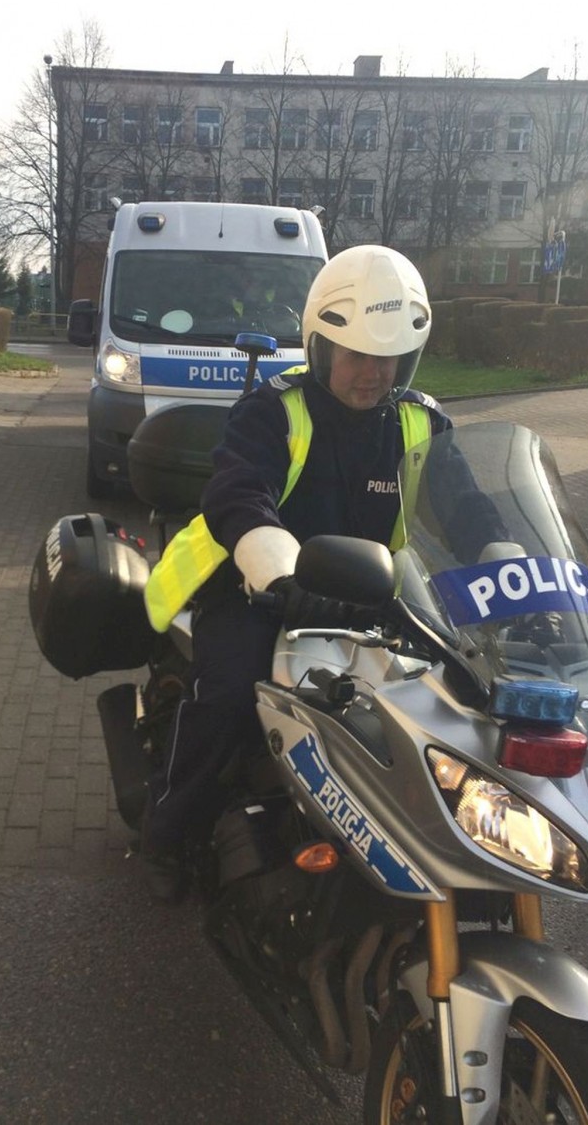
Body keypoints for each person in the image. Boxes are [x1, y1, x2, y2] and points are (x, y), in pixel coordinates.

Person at [139, 245, 455, 903]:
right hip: (259, 590)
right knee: (227, 696)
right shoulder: (274, 410)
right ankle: (168, 826)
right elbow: (239, 493)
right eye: (356, 354)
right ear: (319, 347)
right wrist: (277, 572)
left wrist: (512, 570)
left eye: (387, 356)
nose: (372, 373)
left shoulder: (419, 422)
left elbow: (471, 509)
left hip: (370, 606)